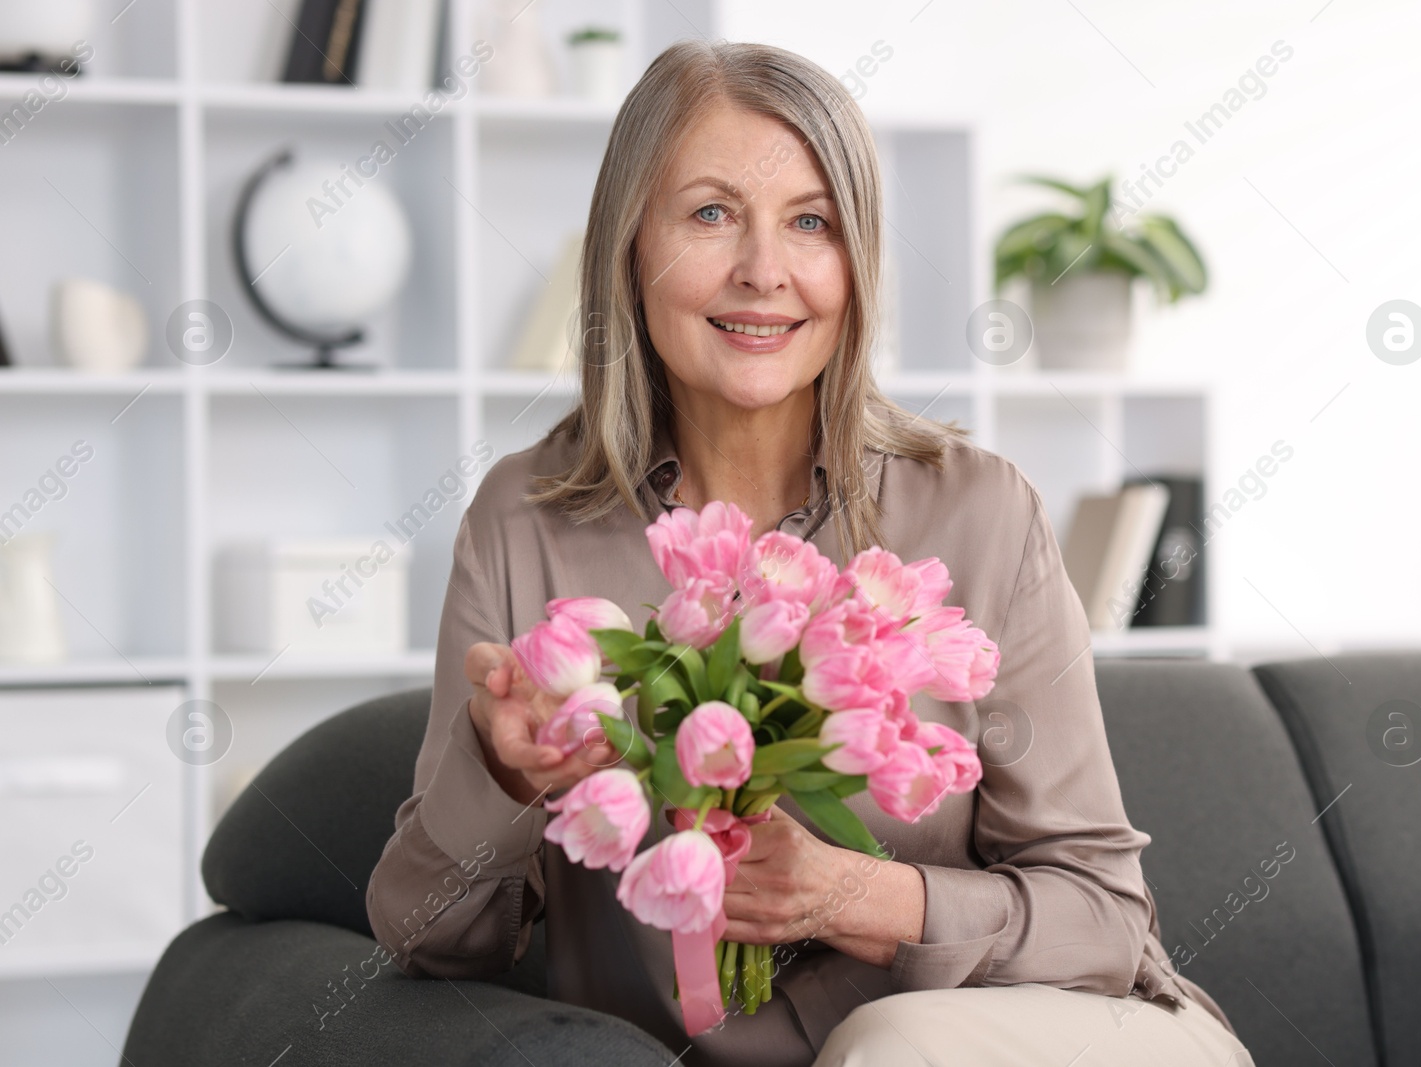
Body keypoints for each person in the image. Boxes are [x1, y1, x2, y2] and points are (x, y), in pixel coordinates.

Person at [366, 38, 1254, 1067]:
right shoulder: (525, 518)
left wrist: (847, 892)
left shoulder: (979, 510)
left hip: (1032, 1043)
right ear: (627, 246)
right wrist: (500, 777)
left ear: (856, 262)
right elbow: (422, 936)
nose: (763, 271)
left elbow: (1105, 920)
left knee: (888, 1046)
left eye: (810, 223)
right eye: (709, 214)